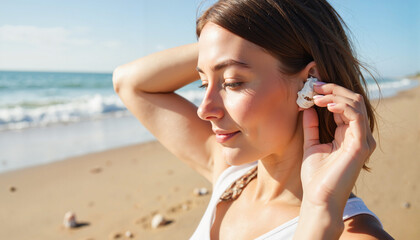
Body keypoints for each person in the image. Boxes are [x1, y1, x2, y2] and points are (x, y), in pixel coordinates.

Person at [113, 0, 393, 239]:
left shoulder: (355, 233)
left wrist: (320, 214)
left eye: (232, 82)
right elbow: (128, 82)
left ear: (309, 81)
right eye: (202, 83)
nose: (204, 109)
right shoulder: (233, 177)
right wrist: (219, 43)